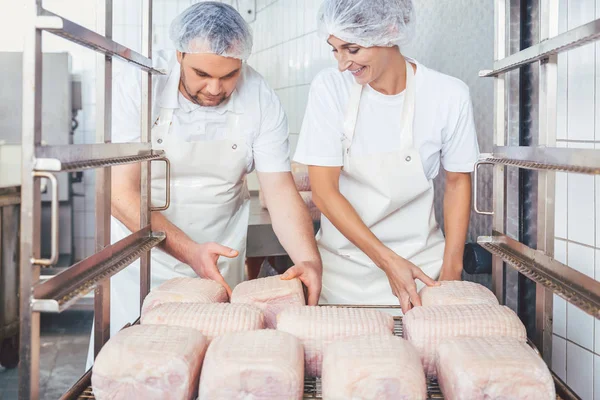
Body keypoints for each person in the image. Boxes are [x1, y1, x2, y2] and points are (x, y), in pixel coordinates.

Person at [86, 2, 322, 368]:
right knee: (133, 371)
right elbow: (119, 193)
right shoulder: (139, 82)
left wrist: (308, 258)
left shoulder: (260, 97)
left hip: (218, 262)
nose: (215, 88)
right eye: (201, 74)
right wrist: (190, 251)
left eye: (228, 76)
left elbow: (280, 192)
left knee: (214, 373)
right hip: (141, 261)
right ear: (179, 53)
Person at [293, 0, 479, 314]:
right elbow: (324, 192)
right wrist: (387, 261)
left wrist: (452, 270)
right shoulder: (330, 89)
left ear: (390, 32)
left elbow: (458, 183)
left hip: (423, 272)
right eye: (335, 50)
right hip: (343, 276)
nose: (342, 64)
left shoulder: (448, 95)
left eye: (352, 49)